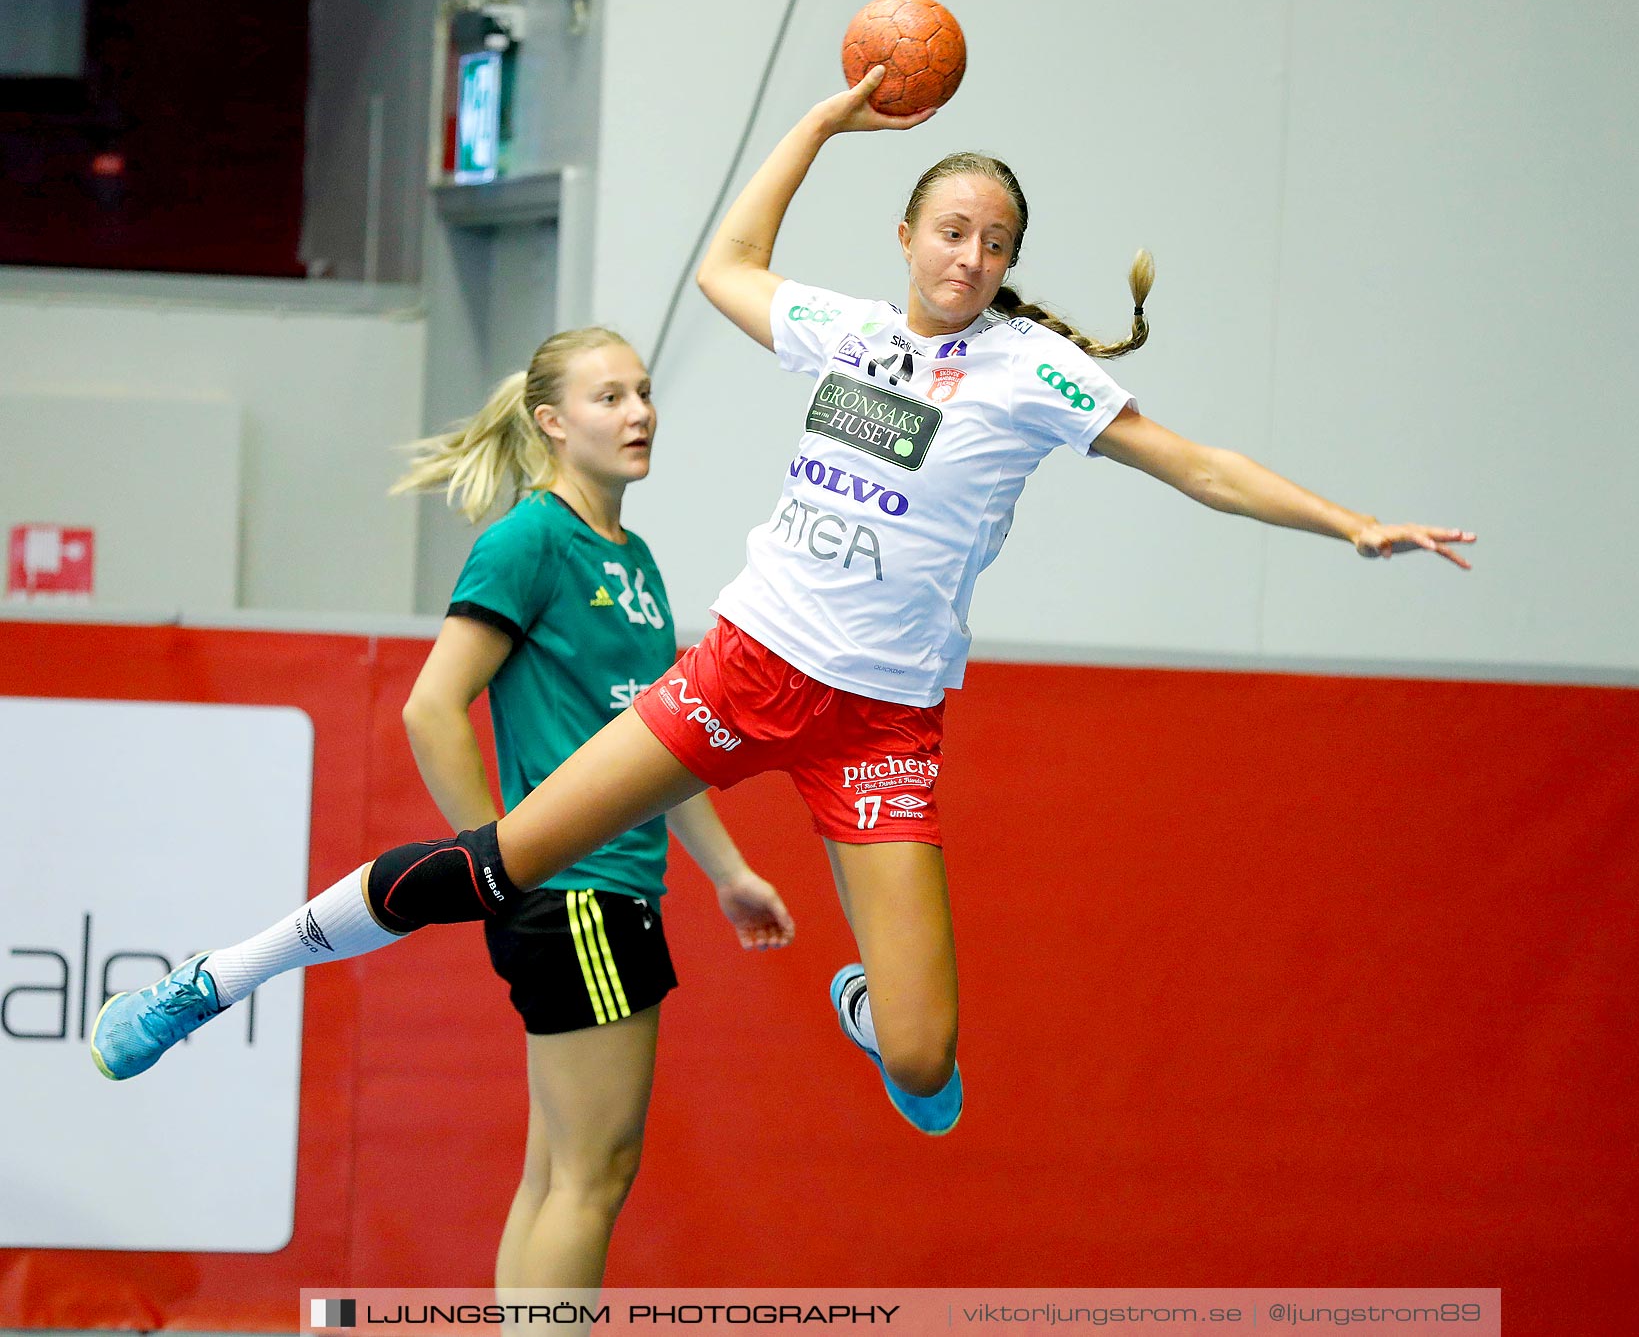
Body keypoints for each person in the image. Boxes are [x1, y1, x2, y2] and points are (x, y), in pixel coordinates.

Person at [90, 67, 1472, 1141]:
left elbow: (1197, 463)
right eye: (949, 229)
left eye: (994, 241)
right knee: (505, 859)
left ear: (1006, 263)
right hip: (744, 671)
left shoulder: (1036, 373)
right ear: (909, 235)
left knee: (928, 1070)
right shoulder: (849, 329)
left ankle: (868, 1005)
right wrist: (822, 119)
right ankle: (216, 978)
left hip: (880, 728)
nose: (970, 256)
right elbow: (725, 266)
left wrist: (1351, 522)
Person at [97, 326, 796, 1288]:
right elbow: (432, 707)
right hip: (577, 893)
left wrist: (731, 873)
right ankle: (214, 980)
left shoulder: (633, 558)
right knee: (593, 1178)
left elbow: (658, 747)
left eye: (642, 393)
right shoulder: (528, 540)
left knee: (554, 1174)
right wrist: (498, 868)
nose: (639, 413)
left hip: (610, 889)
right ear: (551, 422)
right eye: (609, 398)